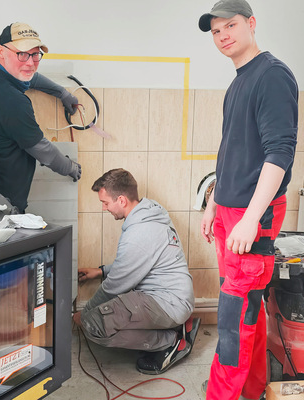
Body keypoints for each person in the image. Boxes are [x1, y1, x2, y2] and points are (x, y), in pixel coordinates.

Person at [198, 1, 298, 399]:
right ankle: (254, 389)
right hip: (229, 210)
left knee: (232, 322)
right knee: (246, 307)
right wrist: (212, 203)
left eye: (231, 25)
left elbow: (280, 152)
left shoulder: (272, 76)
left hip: (251, 214)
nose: (223, 35)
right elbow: (231, 150)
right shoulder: (239, 80)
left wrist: (250, 218)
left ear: (251, 24)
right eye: (216, 30)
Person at [73, 168, 200, 374]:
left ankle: (171, 340)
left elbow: (115, 286)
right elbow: (138, 262)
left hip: (168, 303)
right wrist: (101, 271)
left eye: (105, 203)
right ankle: (177, 327)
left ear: (122, 200)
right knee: (108, 313)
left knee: (93, 325)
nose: (105, 208)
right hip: (171, 298)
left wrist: (85, 314)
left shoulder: (140, 232)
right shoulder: (150, 213)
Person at [0, 22, 82, 213]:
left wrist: (61, 92)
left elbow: (28, 76)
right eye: (22, 54)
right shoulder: (12, 101)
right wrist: (70, 167)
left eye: (35, 55)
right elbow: (43, 151)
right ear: (2, 51)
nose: (30, 62)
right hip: (3, 199)